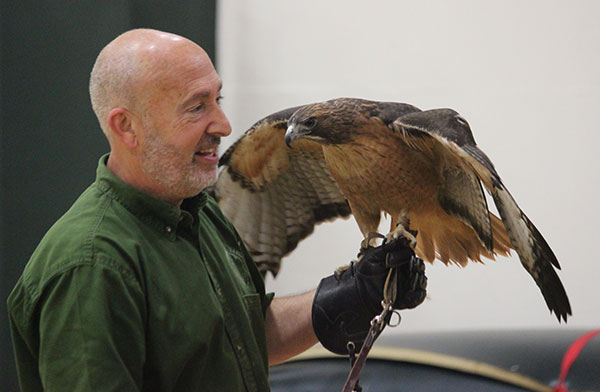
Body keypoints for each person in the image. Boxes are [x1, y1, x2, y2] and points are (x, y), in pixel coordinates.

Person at [7, 29, 427, 391]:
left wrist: (351, 293)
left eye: (217, 99)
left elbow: (241, 336)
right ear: (126, 126)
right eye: (196, 107)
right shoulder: (92, 266)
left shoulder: (199, 214)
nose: (224, 124)